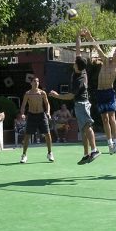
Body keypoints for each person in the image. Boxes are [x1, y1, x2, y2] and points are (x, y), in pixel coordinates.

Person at [49, 30, 101, 164]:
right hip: (79, 104)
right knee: (83, 130)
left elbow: (70, 96)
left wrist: (56, 95)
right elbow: (78, 51)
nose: (73, 62)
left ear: (77, 67)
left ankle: (95, 150)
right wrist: (78, 37)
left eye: (75, 63)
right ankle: (86, 154)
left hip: (82, 104)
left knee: (87, 126)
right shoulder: (81, 67)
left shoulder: (80, 80)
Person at [81, 29, 116, 154]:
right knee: (104, 119)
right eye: (115, 52)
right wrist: (89, 36)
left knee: (112, 117)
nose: (114, 54)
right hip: (100, 93)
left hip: (109, 93)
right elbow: (97, 47)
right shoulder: (105, 60)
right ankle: (110, 143)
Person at [20, 76, 54, 163]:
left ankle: (50, 153)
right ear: (31, 83)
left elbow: (47, 104)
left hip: (41, 115)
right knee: (27, 135)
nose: (36, 83)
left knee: (47, 134)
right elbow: (23, 105)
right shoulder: (27, 93)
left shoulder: (42, 93)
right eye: (34, 81)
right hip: (31, 115)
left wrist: (48, 112)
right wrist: (22, 114)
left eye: (38, 81)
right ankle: (24, 155)